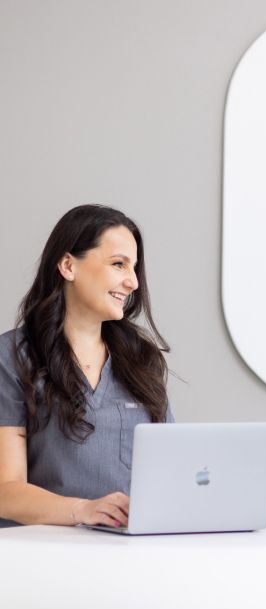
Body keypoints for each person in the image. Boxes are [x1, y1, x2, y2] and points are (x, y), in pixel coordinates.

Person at [0, 204, 174, 529]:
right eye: (118, 264)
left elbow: (173, 468)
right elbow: (5, 491)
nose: (133, 282)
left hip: (129, 552)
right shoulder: (11, 357)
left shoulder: (142, 359)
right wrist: (83, 510)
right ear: (68, 265)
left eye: (134, 268)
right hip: (40, 556)